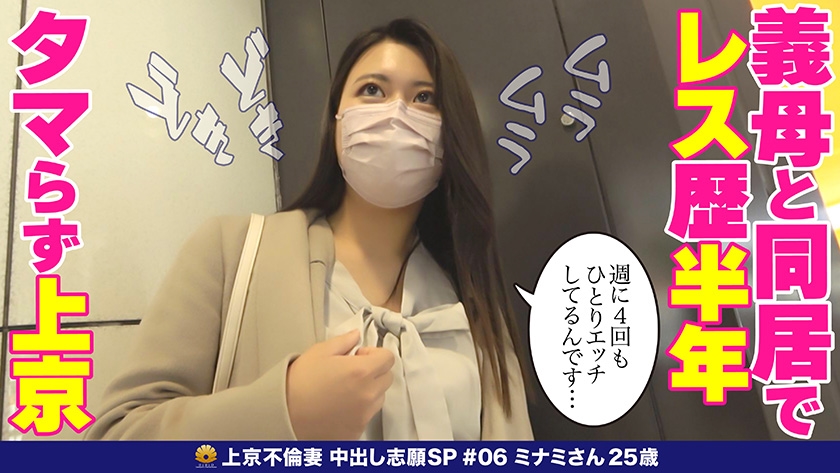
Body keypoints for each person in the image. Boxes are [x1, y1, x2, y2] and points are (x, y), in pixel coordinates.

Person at [85, 18, 533, 441]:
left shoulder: (472, 302)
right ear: (336, 120)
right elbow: (117, 440)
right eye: (372, 89)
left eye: (424, 98)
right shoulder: (231, 252)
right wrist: (281, 410)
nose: (396, 114)